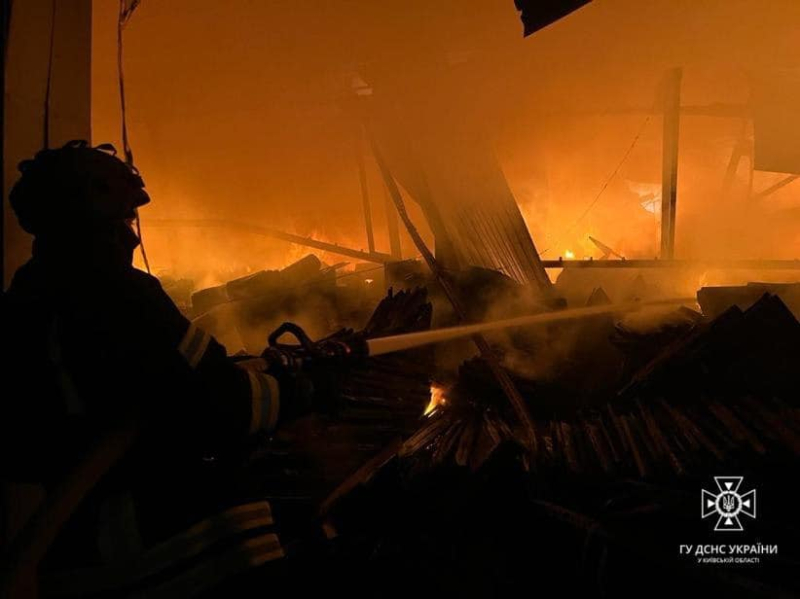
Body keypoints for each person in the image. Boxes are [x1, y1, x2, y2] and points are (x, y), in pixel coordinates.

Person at [1, 140, 314, 597]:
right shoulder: (118, 295)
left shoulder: (24, 300)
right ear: (91, 218)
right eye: (126, 219)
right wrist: (295, 390)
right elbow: (217, 404)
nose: (133, 236)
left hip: (72, 560)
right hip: (165, 549)